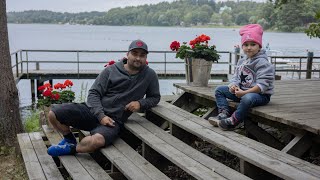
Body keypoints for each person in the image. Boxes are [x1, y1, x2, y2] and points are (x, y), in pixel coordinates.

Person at [47, 40, 161, 156]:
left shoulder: (150, 75)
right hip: (92, 111)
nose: (138, 58)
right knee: (53, 114)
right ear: (127, 54)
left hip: (114, 121)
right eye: (135, 54)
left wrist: (140, 103)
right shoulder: (111, 70)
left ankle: (72, 148)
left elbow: (155, 97)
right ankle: (69, 138)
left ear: (146, 57)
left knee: (96, 141)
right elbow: (93, 93)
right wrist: (101, 116)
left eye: (142, 55)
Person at [208, 24, 274, 130]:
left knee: (247, 98)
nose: (249, 47)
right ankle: (223, 113)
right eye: (246, 44)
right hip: (242, 92)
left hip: (260, 95)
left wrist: (244, 93)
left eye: (253, 44)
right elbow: (236, 77)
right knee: (220, 90)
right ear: (242, 46)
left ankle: (234, 120)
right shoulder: (242, 60)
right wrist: (233, 86)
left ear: (259, 46)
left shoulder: (262, 62)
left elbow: (262, 85)